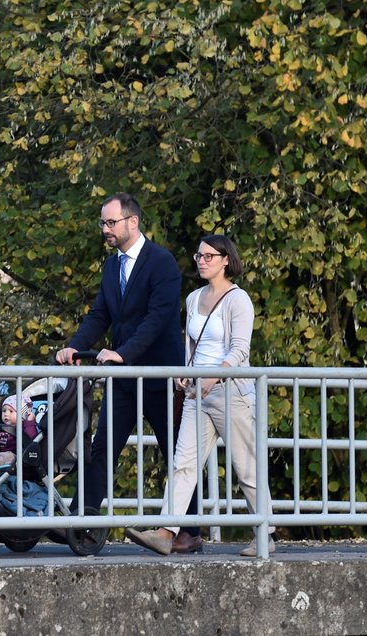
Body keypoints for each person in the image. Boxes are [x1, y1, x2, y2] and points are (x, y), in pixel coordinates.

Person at [55, 192, 203, 553]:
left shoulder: (162, 263)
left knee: (176, 453)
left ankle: (190, 530)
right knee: (102, 448)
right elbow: (101, 314)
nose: (105, 229)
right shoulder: (112, 267)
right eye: (102, 223)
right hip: (122, 378)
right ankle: (84, 521)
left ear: (132, 222)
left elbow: (157, 320)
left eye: (111, 222)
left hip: (160, 376)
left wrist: (123, 353)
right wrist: (75, 345)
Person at [125, 235, 275, 557]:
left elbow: (240, 351)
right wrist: (185, 371)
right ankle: (167, 532)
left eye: (209, 256)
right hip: (197, 393)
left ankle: (265, 534)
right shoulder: (194, 299)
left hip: (230, 392)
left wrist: (214, 374)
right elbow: (192, 347)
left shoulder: (239, 300)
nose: (202, 261)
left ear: (226, 260)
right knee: (183, 463)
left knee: (246, 465)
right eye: (199, 256)